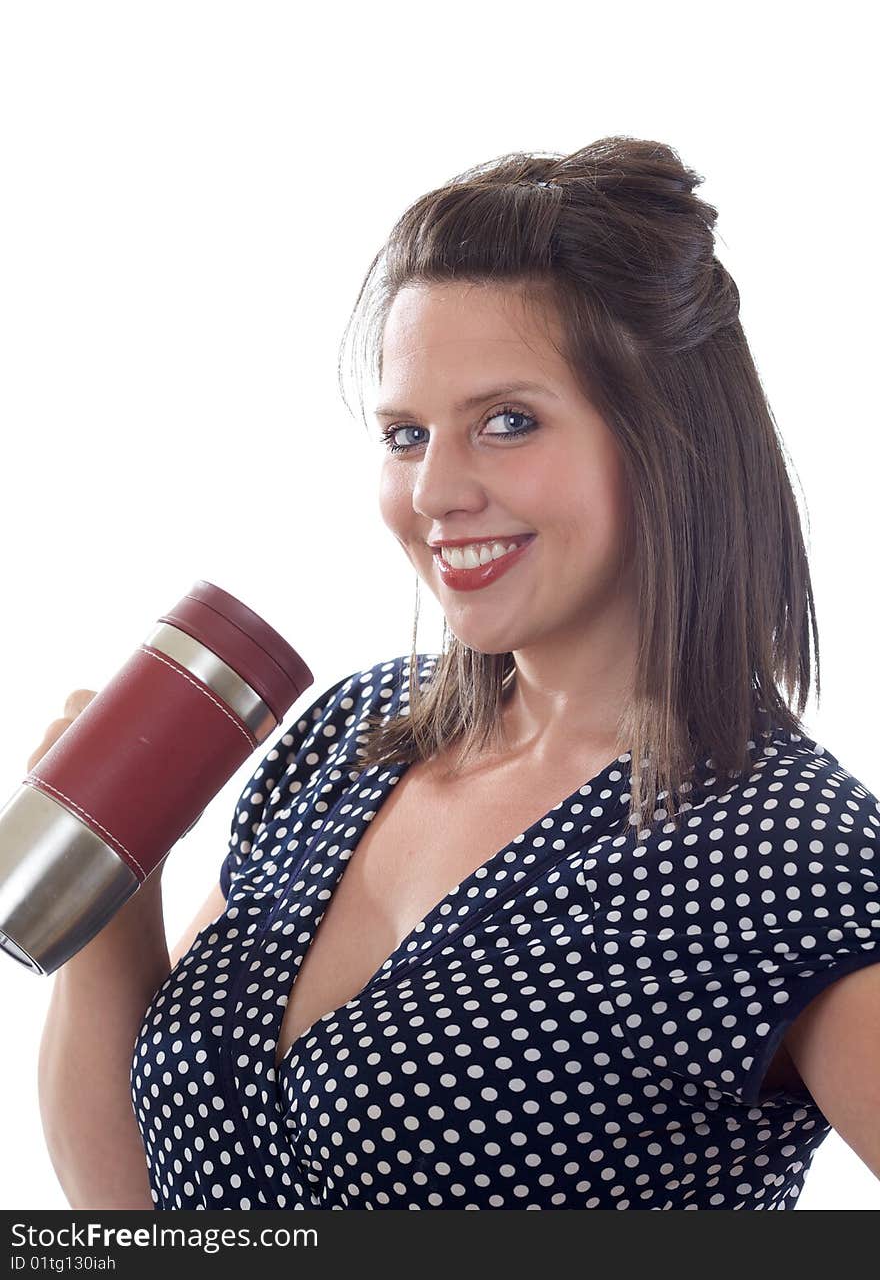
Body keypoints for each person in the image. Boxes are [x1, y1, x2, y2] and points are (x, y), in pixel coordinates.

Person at [40, 137, 880, 1209]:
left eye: (508, 422)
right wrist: (115, 882)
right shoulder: (348, 735)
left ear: (670, 442)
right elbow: (137, 1216)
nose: (435, 489)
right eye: (404, 433)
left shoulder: (787, 858)